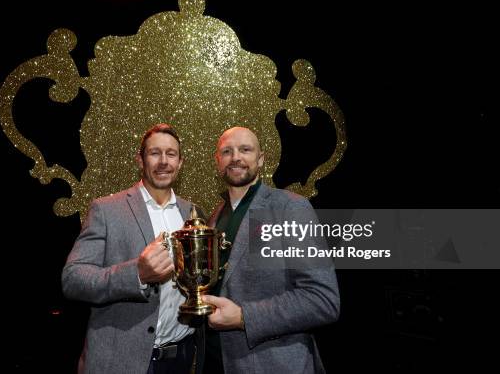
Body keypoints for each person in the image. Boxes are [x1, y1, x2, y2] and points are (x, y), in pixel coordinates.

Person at [62, 123, 202, 374]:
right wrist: (137, 274)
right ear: (140, 160)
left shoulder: (192, 213)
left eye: (171, 154)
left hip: (180, 358)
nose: (163, 161)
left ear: (180, 162)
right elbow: (73, 279)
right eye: (154, 153)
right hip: (122, 361)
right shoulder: (107, 209)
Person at [201, 127, 340, 374]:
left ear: (261, 159)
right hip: (215, 361)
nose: (236, 157)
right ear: (217, 161)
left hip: (273, 364)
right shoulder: (213, 218)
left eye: (245, 150)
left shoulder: (290, 207)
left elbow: (322, 300)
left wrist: (244, 316)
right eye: (226, 151)